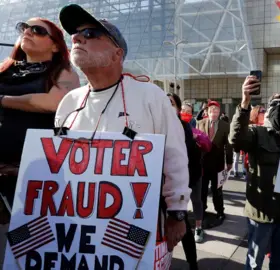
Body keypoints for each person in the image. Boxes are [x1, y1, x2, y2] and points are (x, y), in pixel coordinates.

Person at [55, 4, 190, 252]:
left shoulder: (150, 96)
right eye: (76, 34)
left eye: (91, 34)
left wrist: (177, 213)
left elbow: (174, 156)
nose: (76, 38)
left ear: (117, 54)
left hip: (132, 227)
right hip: (75, 226)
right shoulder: (69, 102)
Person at [0, 17, 79, 266]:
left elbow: (53, 103)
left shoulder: (63, 72)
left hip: (35, 177)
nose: (27, 32)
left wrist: (2, 99)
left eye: (37, 30)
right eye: (24, 28)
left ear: (55, 45)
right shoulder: (4, 68)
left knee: (31, 246)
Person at [230, 81, 280, 270]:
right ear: (268, 111)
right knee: (254, 262)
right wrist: (244, 103)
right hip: (261, 214)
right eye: (275, 104)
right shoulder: (257, 133)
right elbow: (235, 138)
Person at [167, 93, 201, 269]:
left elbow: (189, 158)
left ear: (178, 108)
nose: (167, 105)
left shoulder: (183, 127)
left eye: (171, 103)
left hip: (176, 186)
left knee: (182, 225)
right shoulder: (155, 124)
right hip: (157, 187)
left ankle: (192, 262)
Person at [196, 100, 232, 227]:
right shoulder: (199, 123)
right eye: (212, 111)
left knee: (217, 190)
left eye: (216, 111)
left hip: (218, 164)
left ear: (219, 112)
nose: (214, 113)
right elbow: (196, 143)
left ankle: (220, 211)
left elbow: (228, 145)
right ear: (208, 112)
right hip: (203, 164)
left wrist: (229, 161)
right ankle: (203, 210)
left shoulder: (225, 125)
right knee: (203, 189)